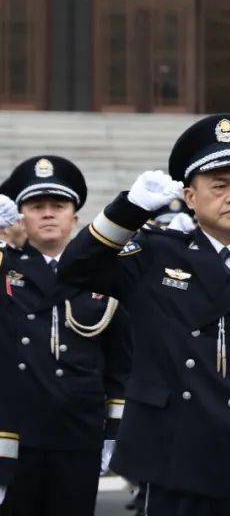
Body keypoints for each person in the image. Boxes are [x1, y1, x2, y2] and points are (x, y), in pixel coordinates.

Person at [56, 113, 230, 516]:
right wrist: (129, 210)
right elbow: (75, 269)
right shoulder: (156, 255)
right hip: (173, 458)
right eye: (220, 186)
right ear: (191, 197)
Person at [0, 156, 130, 516]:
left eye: (58, 205)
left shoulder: (104, 275)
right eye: (36, 206)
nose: (47, 214)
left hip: (79, 432)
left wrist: (112, 431)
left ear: (75, 218)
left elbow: (119, 362)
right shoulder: (5, 268)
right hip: (14, 434)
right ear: (19, 215)